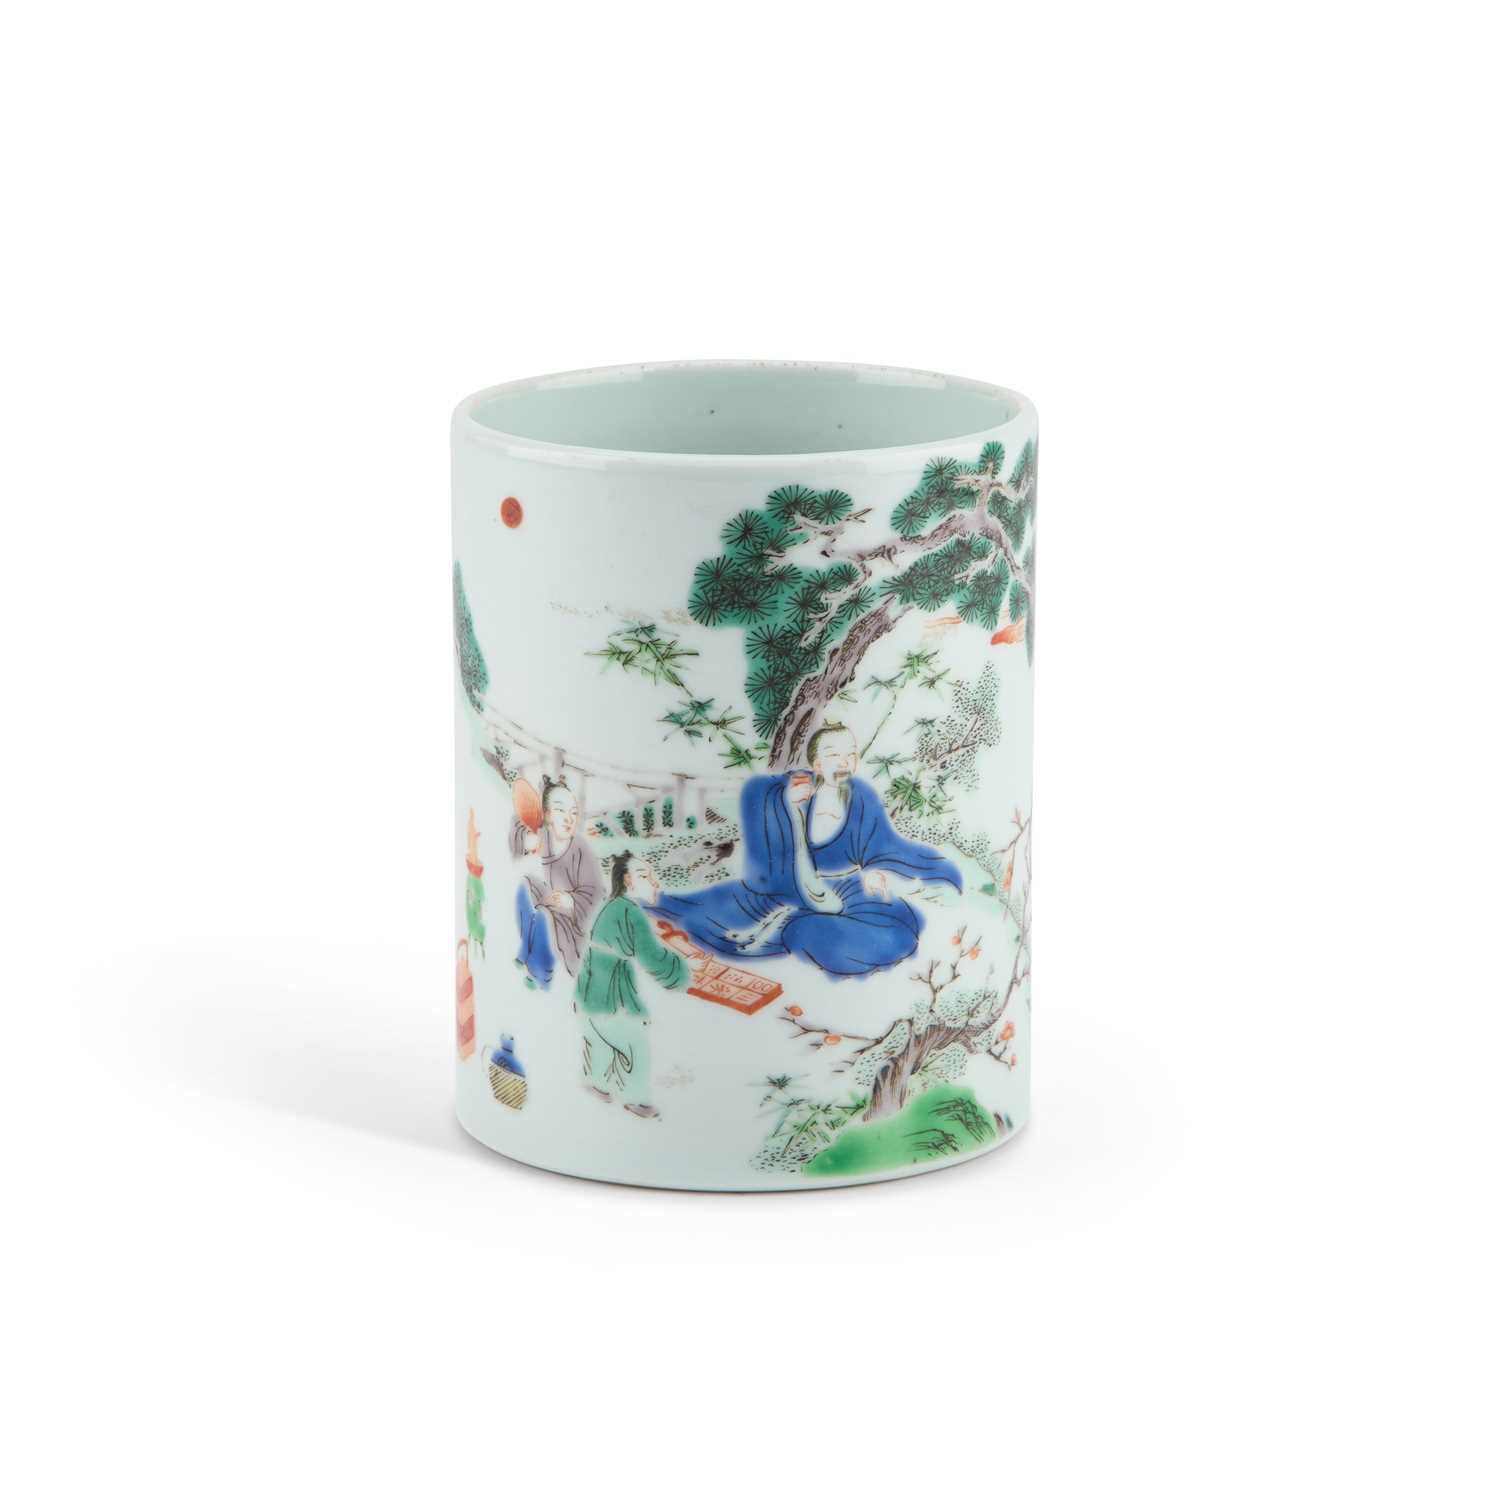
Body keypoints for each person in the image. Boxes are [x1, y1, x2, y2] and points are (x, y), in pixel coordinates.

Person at [652, 721, 961, 978]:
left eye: (851, 754)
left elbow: (879, 844)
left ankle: (798, 928)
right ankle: (782, 928)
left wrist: (873, 870)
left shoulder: (861, 796)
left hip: (846, 889)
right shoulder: (796, 791)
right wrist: (786, 805)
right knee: (809, 934)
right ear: (817, 764)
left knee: (897, 926)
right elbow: (758, 793)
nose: (844, 762)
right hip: (789, 888)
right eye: (834, 754)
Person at [573, 852, 694, 1119]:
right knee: (634, 1043)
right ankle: (636, 1099)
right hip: (610, 993)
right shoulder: (630, 912)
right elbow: (653, 959)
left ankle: (596, 1084)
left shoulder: (612, 905)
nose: (655, 882)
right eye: (645, 876)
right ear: (628, 879)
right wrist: (686, 972)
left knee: (600, 1040)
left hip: (589, 988)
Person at [510, 778, 602, 990]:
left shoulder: (580, 849)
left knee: (543, 918)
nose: (569, 819)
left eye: (574, 813)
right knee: (525, 886)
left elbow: (596, 893)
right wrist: (525, 839)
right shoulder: (543, 837)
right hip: (544, 904)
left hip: (568, 923)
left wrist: (571, 901)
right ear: (547, 814)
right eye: (560, 810)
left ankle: (541, 976)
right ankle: (525, 950)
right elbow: (516, 827)